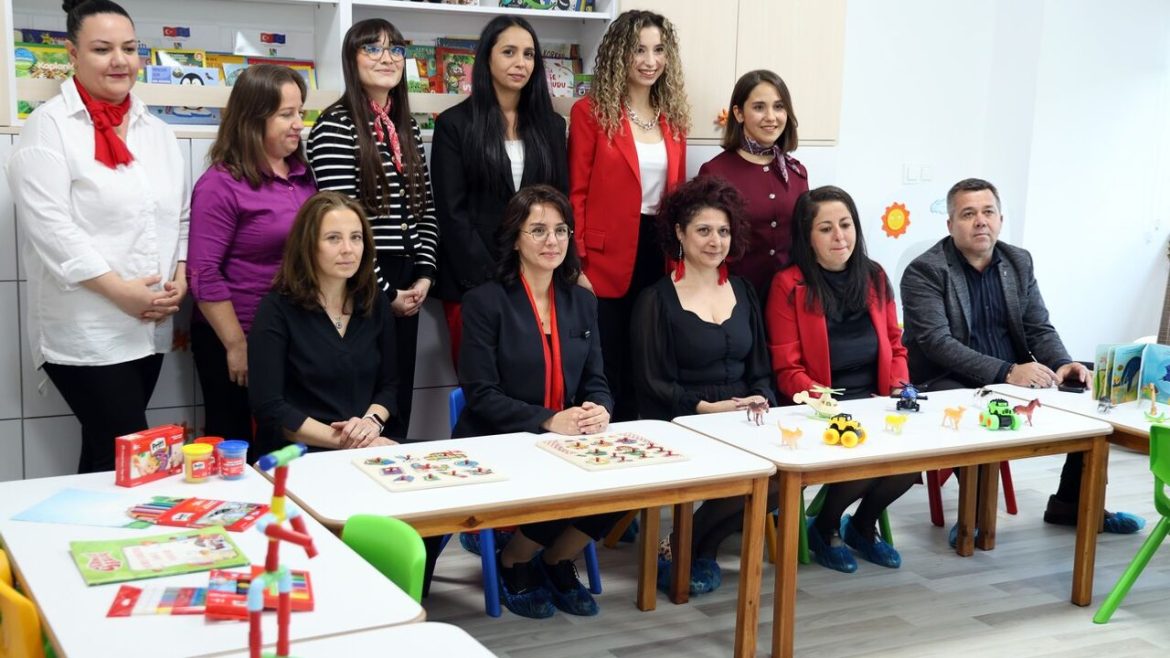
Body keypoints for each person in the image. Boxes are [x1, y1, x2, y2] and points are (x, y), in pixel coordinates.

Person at [900, 177, 1144, 538]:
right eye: (968, 214)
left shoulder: (1018, 261)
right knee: (967, 401)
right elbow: (938, 343)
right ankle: (972, 518)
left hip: (1012, 372)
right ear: (950, 224)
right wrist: (1007, 371)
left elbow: (1038, 328)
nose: (980, 221)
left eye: (988, 212)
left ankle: (1071, 503)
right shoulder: (926, 270)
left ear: (1000, 219)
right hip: (946, 377)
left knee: (1095, 381)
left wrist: (1062, 364)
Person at [7, 0, 188, 473]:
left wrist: (181, 275)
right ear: (72, 54)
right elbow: (51, 229)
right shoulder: (49, 128)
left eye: (129, 48)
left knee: (109, 457)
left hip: (148, 326)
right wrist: (121, 292)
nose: (120, 61)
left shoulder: (156, 131)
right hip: (86, 328)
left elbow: (180, 215)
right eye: (102, 49)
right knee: (127, 451)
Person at [454, 185, 617, 619]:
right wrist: (549, 421)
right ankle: (514, 560)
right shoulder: (484, 302)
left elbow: (597, 380)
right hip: (498, 437)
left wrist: (600, 408)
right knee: (557, 478)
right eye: (539, 230)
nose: (552, 241)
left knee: (625, 485)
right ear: (515, 238)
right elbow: (480, 394)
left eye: (561, 230)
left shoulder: (581, 301)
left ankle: (555, 559)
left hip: (564, 436)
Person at [630, 177, 776, 594]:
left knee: (781, 480)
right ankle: (691, 549)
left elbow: (761, 369)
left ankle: (691, 544)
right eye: (704, 230)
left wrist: (762, 399)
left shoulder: (744, 290)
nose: (716, 241)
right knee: (744, 475)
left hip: (744, 416)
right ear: (680, 233)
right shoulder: (656, 299)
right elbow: (651, 383)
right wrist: (704, 409)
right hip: (684, 418)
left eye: (723, 231)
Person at [767, 185, 919, 573]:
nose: (839, 237)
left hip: (875, 401)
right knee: (859, 453)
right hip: (819, 408)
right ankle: (826, 528)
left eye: (846, 225)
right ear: (807, 236)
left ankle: (862, 525)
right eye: (826, 228)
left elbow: (896, 345)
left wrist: (899, 388)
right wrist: (825, 403)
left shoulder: (875, 276)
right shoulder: (788, 284)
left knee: (913, 460)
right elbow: (787, 369)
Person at [307, 18, 436, 438]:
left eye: (395, 50)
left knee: (398, 400)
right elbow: (345, 227)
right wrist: (385, 293)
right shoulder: (335, 125)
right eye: (373, 48)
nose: (387, 58)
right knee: (364, 404)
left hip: (407, 280)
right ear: (351, 58)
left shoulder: (405, 125)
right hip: (361, 281)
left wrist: (424, 275)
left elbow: (425, 208)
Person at [569, 9, 689, 422]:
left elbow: (677, 196)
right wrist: (577, 263)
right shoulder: (590, 112)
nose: (650, 61)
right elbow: (576, 192)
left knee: (650, 360)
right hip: (604, 259)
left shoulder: (673, 119)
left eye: (658, 50)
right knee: (608, 362)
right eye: (639, 50)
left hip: (659, 251)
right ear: (620, 53)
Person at [188, 65, 315, 449]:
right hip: (238, 335)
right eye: (286, 114)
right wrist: (236, 344)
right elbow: (203, 272)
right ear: (253, 118)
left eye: (300, 112)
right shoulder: (221, 183)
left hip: (292, 332)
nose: (299, 124)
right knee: (236, 447)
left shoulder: (302, 175)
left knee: (287, 446)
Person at [432, 15, 568, 365]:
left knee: (532, 378)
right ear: (486, 58)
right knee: (481, 381)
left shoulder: (552, 126)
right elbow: (452, 213)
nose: (520, 63)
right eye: (509, 52)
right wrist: (493, 279)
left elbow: (559, 202)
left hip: (538, 279)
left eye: (528, 54)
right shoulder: (454, 125)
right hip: (473, 281)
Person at [248, 191, 398, 452]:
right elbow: (270, 407)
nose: (348, 249)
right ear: (308, 245)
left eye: (356, 237)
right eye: (333, 238)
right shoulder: (276, 309)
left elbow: (390, 385)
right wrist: (346, 441)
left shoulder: (375, 301)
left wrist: (370, 424)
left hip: (366, 445)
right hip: (297, 453)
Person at [698, 69, 808, 302]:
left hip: (788, 298)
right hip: (733, 298)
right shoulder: (714, 172)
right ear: (739, 114)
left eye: (779, 107)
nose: (771, 117)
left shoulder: (797, 172)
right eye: (759, 107)